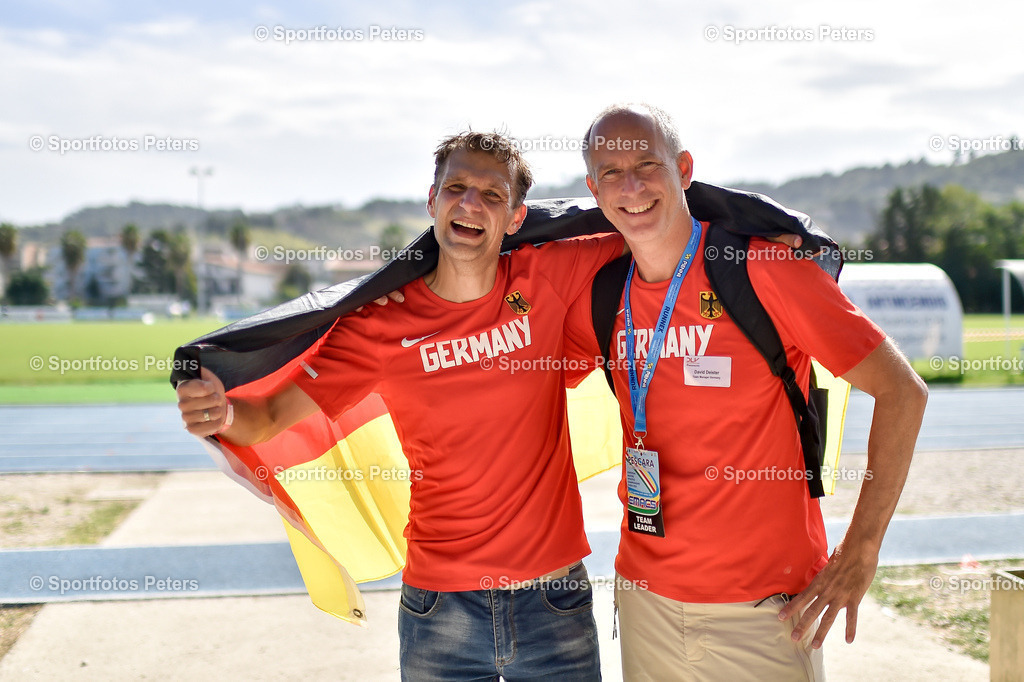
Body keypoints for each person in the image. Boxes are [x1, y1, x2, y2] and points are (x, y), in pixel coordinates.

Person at [177, 130, 627, 680]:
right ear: (431, 201)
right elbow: (267, 418)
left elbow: (647, 222)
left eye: (491, 195)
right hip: (441, 608)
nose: (469, 204)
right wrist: (221, 414)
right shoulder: (381, 323)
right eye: (456, 187)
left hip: (553, 598)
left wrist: (757, 224)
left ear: (515, 217)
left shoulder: (547, 275)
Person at [562, 103, 929, 681]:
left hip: (765, 610)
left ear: (684, 169)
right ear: (593, 188)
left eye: (647, 164)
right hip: (646, 602)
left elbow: (904, 391)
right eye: (610, 172)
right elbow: (499, 360)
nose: (630, 186)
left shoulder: (763, 267)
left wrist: (860, 552)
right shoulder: (605, 291)